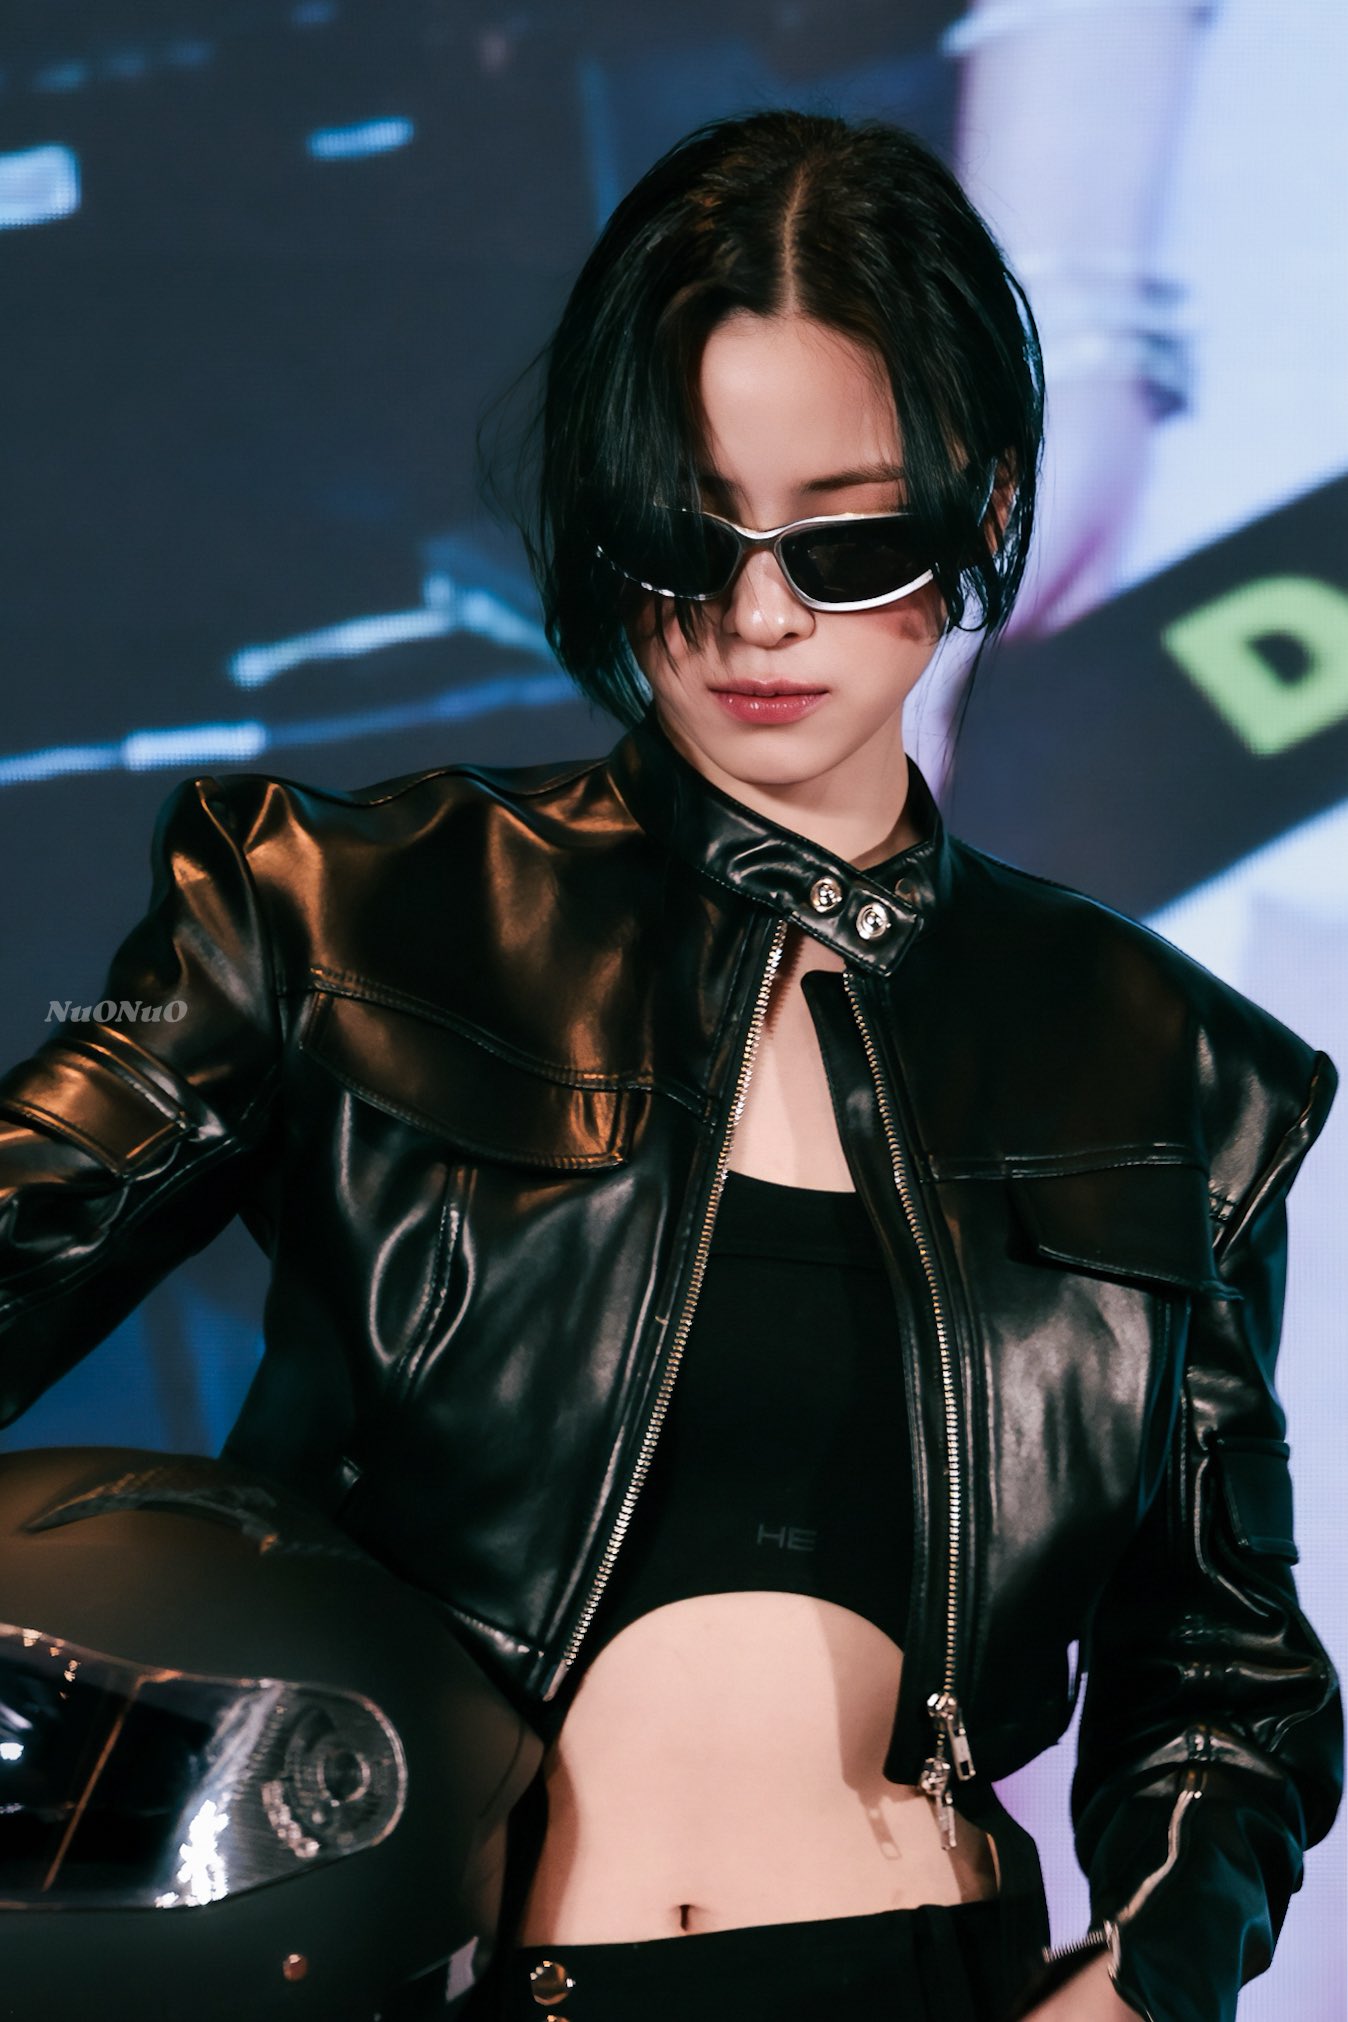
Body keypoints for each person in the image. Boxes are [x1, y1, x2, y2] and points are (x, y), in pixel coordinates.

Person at [0, 109, 1339, 2022]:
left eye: (847, 538)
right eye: (685, 534)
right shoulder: (333, 909)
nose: (760, 613)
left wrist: (1141, 1984)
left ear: (986, 511)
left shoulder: (1169, 1066)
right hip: (476, 1973)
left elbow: (1225, 1676)